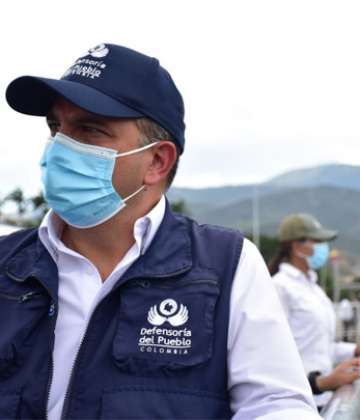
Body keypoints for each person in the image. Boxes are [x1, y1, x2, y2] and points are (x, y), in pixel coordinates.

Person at [0, 43, 319, 419]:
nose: (60, 147)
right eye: (56, 127)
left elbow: (276, 405)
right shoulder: (8, 264)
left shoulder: (225, 265)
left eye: (89, 130)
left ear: (157, 161)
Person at [269, 214, 360, 409]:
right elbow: (272, 354)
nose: (323, 247)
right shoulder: (280, 287)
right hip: (294, 404)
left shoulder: (314, 289)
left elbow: (320, 346)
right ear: (296, 246)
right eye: (317, 241)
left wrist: (354, 350)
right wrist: (321, 382)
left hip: (322, 400)